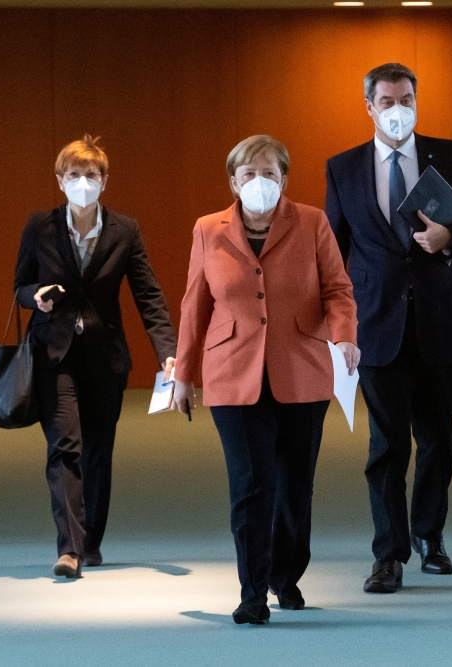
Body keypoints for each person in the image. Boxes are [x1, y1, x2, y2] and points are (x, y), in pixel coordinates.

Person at [325, 63, 452, 593]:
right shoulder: (344, 168)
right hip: (376, 324)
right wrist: (335, 326)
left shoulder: (450, 157)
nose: (398, 109)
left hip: (439, 322)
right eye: (387, 101)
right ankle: (388, 554)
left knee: (439, 441)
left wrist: (451, 237)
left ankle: (431, 534)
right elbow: (333, 251)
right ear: (369, 107)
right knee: (386, 447)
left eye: (406, 99)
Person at [172, 135, 358, 624]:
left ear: (285, 179)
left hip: (302, 368)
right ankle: (252, 591)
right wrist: (183, 376)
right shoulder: (208, 229)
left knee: (294, 487)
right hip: (232, 372)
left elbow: (338, 290)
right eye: (249, 174)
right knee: (252, 485)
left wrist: (344, 337)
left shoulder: (313, 222)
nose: (259, 182)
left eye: (269, 173)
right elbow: (196, 306)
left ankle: (285, 576)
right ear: (233, 181)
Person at [14, 135, 177, 579]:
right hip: (54, 352)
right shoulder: (40, 226)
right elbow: (20, 286)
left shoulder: (125, 229)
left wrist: (168, 353)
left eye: (91, 175)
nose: (83, 182)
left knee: (97, 452)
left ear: (104, 181)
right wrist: (37, 296)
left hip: (106, 357)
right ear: (60, 180)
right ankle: (69, 548)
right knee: (64, 446)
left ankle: (91, 541)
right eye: (74, 175)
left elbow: (149, 294)